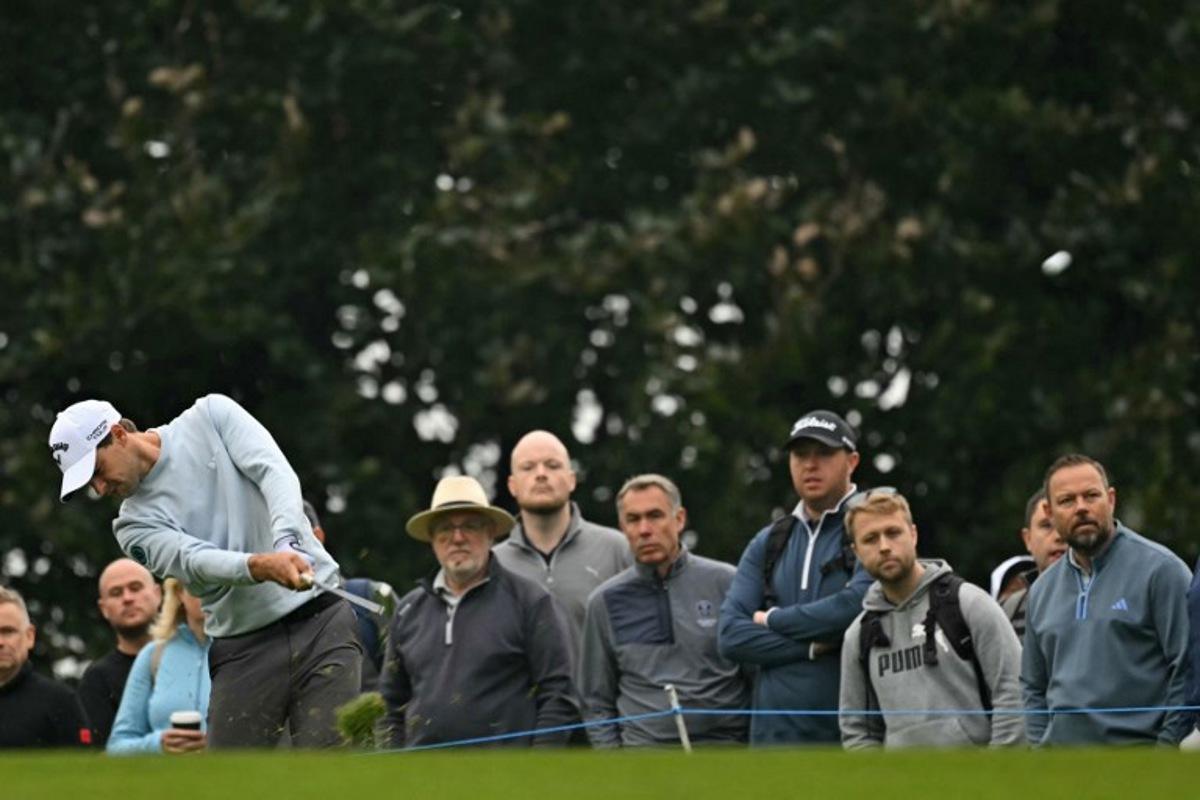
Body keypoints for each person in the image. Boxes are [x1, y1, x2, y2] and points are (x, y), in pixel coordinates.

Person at [49, 395, 362, 747]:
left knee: (331, 772)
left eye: (97, 471)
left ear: (119, 434)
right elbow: (196, 560)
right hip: (244, 646)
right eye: (90, 484)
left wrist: (287, 541)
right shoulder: (131, 527)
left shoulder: (212, 415)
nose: (100, 488)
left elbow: (272, 470)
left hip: (321, 618)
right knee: (229, 783)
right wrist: (260, 566)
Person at [379, 476, 577, 748]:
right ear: (432, 540)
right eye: (445, 528)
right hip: (422, 782)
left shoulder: (531, 601)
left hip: (506, 781)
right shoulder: (408, 611)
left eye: (470, 526)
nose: (457, 538)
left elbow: (559, 696)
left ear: (490, 533)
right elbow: (390, 705)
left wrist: (537, 771)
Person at [718, 409, 872, 745]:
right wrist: (815, 647)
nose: (810, 464)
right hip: (772, 741)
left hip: (852, 741)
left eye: (824, 453)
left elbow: (856, 607)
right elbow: (730, 634)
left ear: (852, 462)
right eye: (801, 454)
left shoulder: (874, 527)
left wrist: (772, 619)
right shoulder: (769, 540)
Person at [1022, 454, 1192, 745]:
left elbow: (1188, 668)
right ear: (1049, 513)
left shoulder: (1161, 570)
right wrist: (1040, 755)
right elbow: (1033, 687)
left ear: (1111, 499)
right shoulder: (1041, 590)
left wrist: (1166, 749)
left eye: (1091, 496)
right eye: (1067, 501)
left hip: (1140, 763)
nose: (1081, 508)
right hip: (1062, 772)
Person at [838, 488, 1024, 749]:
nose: (884, 547)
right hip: (902, 787)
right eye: (870, 539)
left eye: (893, 533)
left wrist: (996, 776)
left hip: (980, 782)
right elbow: (857, 732)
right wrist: (881, 787)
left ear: (913, 534)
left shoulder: (969, 603)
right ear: (856, 552)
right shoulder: (858, 636)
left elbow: (1013, 694)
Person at [579, 474, 748, 747]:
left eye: (655, 516)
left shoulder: (728, 583)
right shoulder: (604, 602)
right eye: (633, 519)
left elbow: (758, 676)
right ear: (623, 527)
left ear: (679, 519)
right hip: (643, 766)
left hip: (726, 756)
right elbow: (595, 699)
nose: (645, 529)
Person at [493, 430, 632, 656]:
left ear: (571, 480)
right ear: (512, 485)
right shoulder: (493, 564)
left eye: (552, 465)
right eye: (528, 467)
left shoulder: (617, 549)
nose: (541, 474)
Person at [108, 578, 211, 754]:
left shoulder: (248, 650)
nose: (210, 592)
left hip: (232, 777)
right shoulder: (153, 654)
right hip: (166, 778)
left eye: (221, 584)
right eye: (198, 583)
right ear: (179, 592)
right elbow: (117, 746)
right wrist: (158, 744)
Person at [303, 500, 395, 693]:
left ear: (317, 536)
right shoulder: (256, 623)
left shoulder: (370, 599)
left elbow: (416, 680)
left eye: (291, 539)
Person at [77, 558, 162, 747]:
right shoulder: (97, 680)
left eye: (136, 587)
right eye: (116, 593)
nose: (127, 598)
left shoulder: (193, 658)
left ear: (158, 594)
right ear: (104, 608)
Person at [0, 586, 89, 748]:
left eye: (8, 631)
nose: (0, 642)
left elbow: (84, 770)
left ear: (29, 636)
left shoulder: (60, 702)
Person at [998, 489, 1066, 637]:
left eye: (1064, 524)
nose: (1059, 536)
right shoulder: (1004, 614)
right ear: (1027, 539)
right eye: (1046, 526)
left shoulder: (1110, 598)